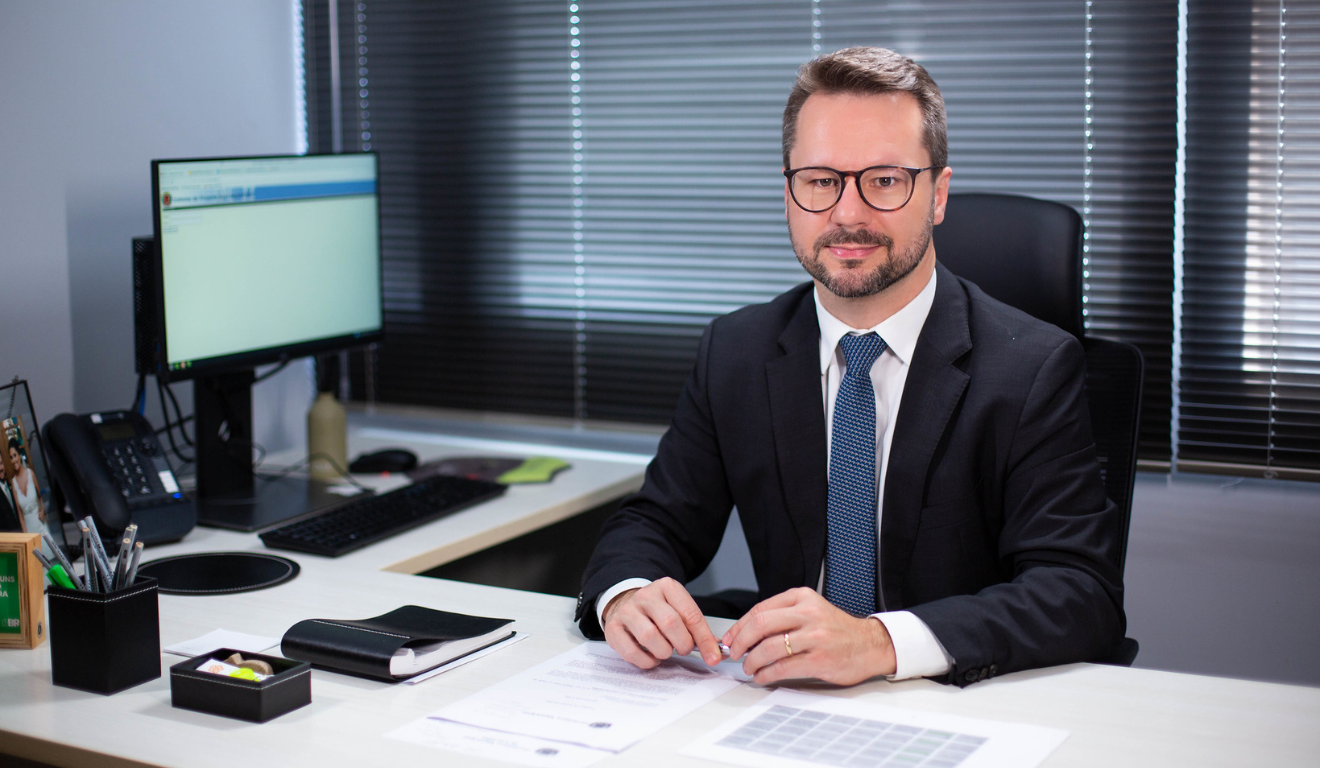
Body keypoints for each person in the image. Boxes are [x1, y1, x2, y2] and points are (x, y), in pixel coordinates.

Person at [574, 47, 1125, 688]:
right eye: (819, 180)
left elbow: (1078, 590)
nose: (847, 213)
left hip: (957, 702)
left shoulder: (1031, 367)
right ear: (788, 194)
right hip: (782, 701)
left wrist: (878, 643)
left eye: (885, 179)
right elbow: (657, 521)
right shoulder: (737, 350)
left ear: (938, 195)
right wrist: (627, 593)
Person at [10, 439, 45, 536]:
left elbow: (40, 496)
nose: (13, 460)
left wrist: (42, 510)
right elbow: (19, 514)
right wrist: (25, 534)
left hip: (41, 525)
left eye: (15, 455)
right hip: (29, 530)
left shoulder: (30, 474)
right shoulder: (14, 483)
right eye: (11, 457)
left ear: (19, 455)